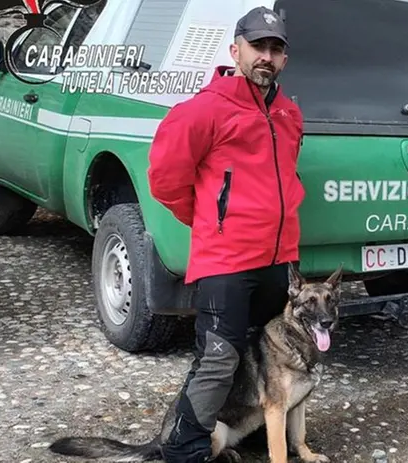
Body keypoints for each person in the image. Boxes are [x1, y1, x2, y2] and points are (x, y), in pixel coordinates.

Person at [146, 7, 305, 462]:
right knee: (219, 359)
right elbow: (165, 179)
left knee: (267, 353)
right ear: (236, 50)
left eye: (276, 49)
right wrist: (214, 222)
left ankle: (251, 432)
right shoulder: (203, 110)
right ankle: (185, 449)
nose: (266, 57)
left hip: (278, 260)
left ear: (284, 60)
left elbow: (287, 177)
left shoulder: (289, 113)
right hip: (227, 262)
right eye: (258, 46)